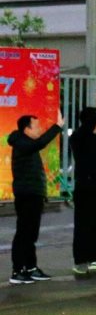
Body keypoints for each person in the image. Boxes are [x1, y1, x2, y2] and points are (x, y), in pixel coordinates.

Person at [8, 109, 63, 285]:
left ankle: (30, 267)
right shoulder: (21, 143)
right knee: (24, 233)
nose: (39, 129)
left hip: (34, 194)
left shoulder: (25, 143)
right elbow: (39, 143)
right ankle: (17, 271)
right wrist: (57, 127)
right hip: (27, 194)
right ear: (26, 129)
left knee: (31, 234)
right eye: (36, 126)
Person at [69, 95, 96, 275]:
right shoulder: (79, 137)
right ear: (91, 121)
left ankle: (92, 258)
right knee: (83, 225)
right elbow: (86, 128)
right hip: (85, 189)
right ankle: (80, 261)